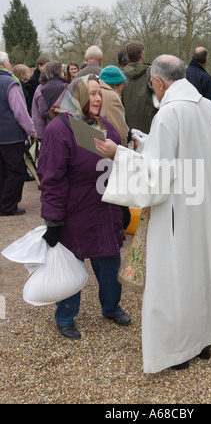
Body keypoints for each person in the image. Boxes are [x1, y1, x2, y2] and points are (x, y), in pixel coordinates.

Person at [94, 54, 211, 374]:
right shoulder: (208, 107)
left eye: (153, 84)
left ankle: (178, 350)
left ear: (158, 82)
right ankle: (206, 339)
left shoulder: (168, 115)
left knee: (176, 276)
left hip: (177, 210)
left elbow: (157, 174)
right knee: (205, 272)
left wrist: (119, 153)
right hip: (205, 204)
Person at [37, 75, 130, 340]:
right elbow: (51, 178)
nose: (98, 98)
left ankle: (111, 308)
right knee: (70, 269)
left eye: (99, 92)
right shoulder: (60, 130)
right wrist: (53, 220)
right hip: (74, 215)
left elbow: (117, 166)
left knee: (111, 266)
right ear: (77, 97)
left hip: (105, 211)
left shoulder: (106, 128)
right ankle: (65, 316)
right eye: (91, 93)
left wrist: (123, 203)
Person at [0, 52, 37, 216]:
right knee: (16, 171)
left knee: (2, 171)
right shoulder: (10, 82)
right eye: (8, 62)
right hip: (10, 136)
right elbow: (20, 112)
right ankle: (8, 206)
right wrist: (31, 131)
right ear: (4, 63)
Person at [122, 41, 158, 134]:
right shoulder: (151, 73)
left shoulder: (121, 76)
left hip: (129, 127)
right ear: (142, 55)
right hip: (150, 126)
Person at [31, 61, 68, 140]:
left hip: (49, 124)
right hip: (56, 125)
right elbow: (43, 111)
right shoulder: (61, 86)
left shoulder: (45, 87)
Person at [99, 65, 129, 147]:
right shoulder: (111, 96)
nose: (122, 91)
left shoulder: (97, 90)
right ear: (115, 85)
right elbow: (121, 131)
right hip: (109, 147)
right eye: (122, 86)